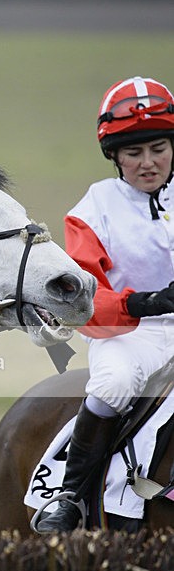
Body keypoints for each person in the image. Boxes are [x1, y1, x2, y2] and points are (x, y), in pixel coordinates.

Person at [36, 75, 174, 532]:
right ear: (114, 155)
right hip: (134, 336)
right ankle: (71, 497)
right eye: (133, 153)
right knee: (112, 382)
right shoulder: (90, 211)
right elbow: (82, 305)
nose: (148, 163)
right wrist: (144, 303)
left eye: (158, 148)